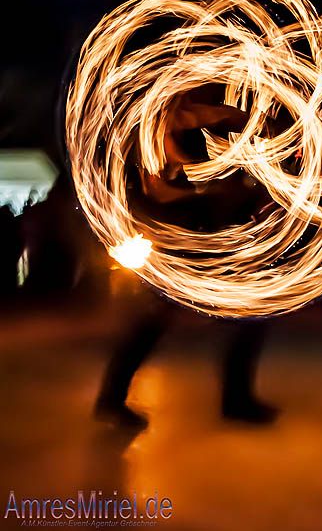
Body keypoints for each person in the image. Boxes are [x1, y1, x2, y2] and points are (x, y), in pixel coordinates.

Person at [94, 87, 277, 429]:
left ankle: (236, 400)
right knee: (156, 321)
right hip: (177, 236)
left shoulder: (195, 118)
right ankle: (234, 402)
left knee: (246, 316)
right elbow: (158, 191)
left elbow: (230, 118)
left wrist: (261, 124)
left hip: (198, 233)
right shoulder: (159, 128)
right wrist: (215, 187)